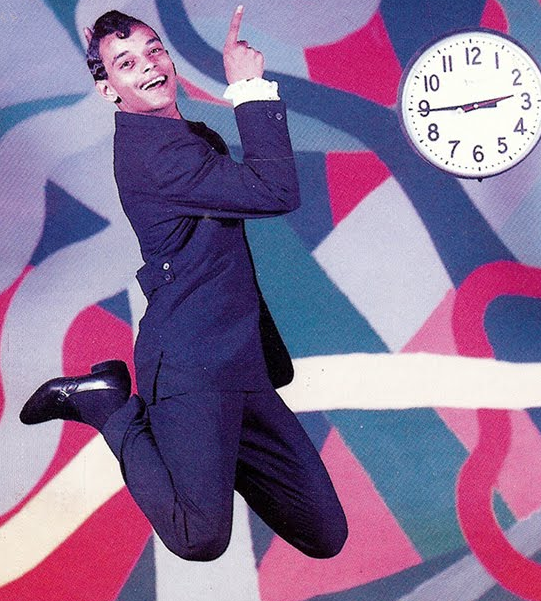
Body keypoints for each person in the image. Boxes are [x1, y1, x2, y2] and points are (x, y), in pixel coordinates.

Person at [20, 6, 347, 562]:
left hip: (240, 362)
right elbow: (274, 191)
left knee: (324, 532)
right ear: (108, 91)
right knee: (200, 537)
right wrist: (248, 86)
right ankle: (106, 406)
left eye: (153, 51)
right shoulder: (156, 154)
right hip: (192, 365)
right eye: (126, 63)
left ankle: (206, 451)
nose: (148, 65)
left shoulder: (189, 137)